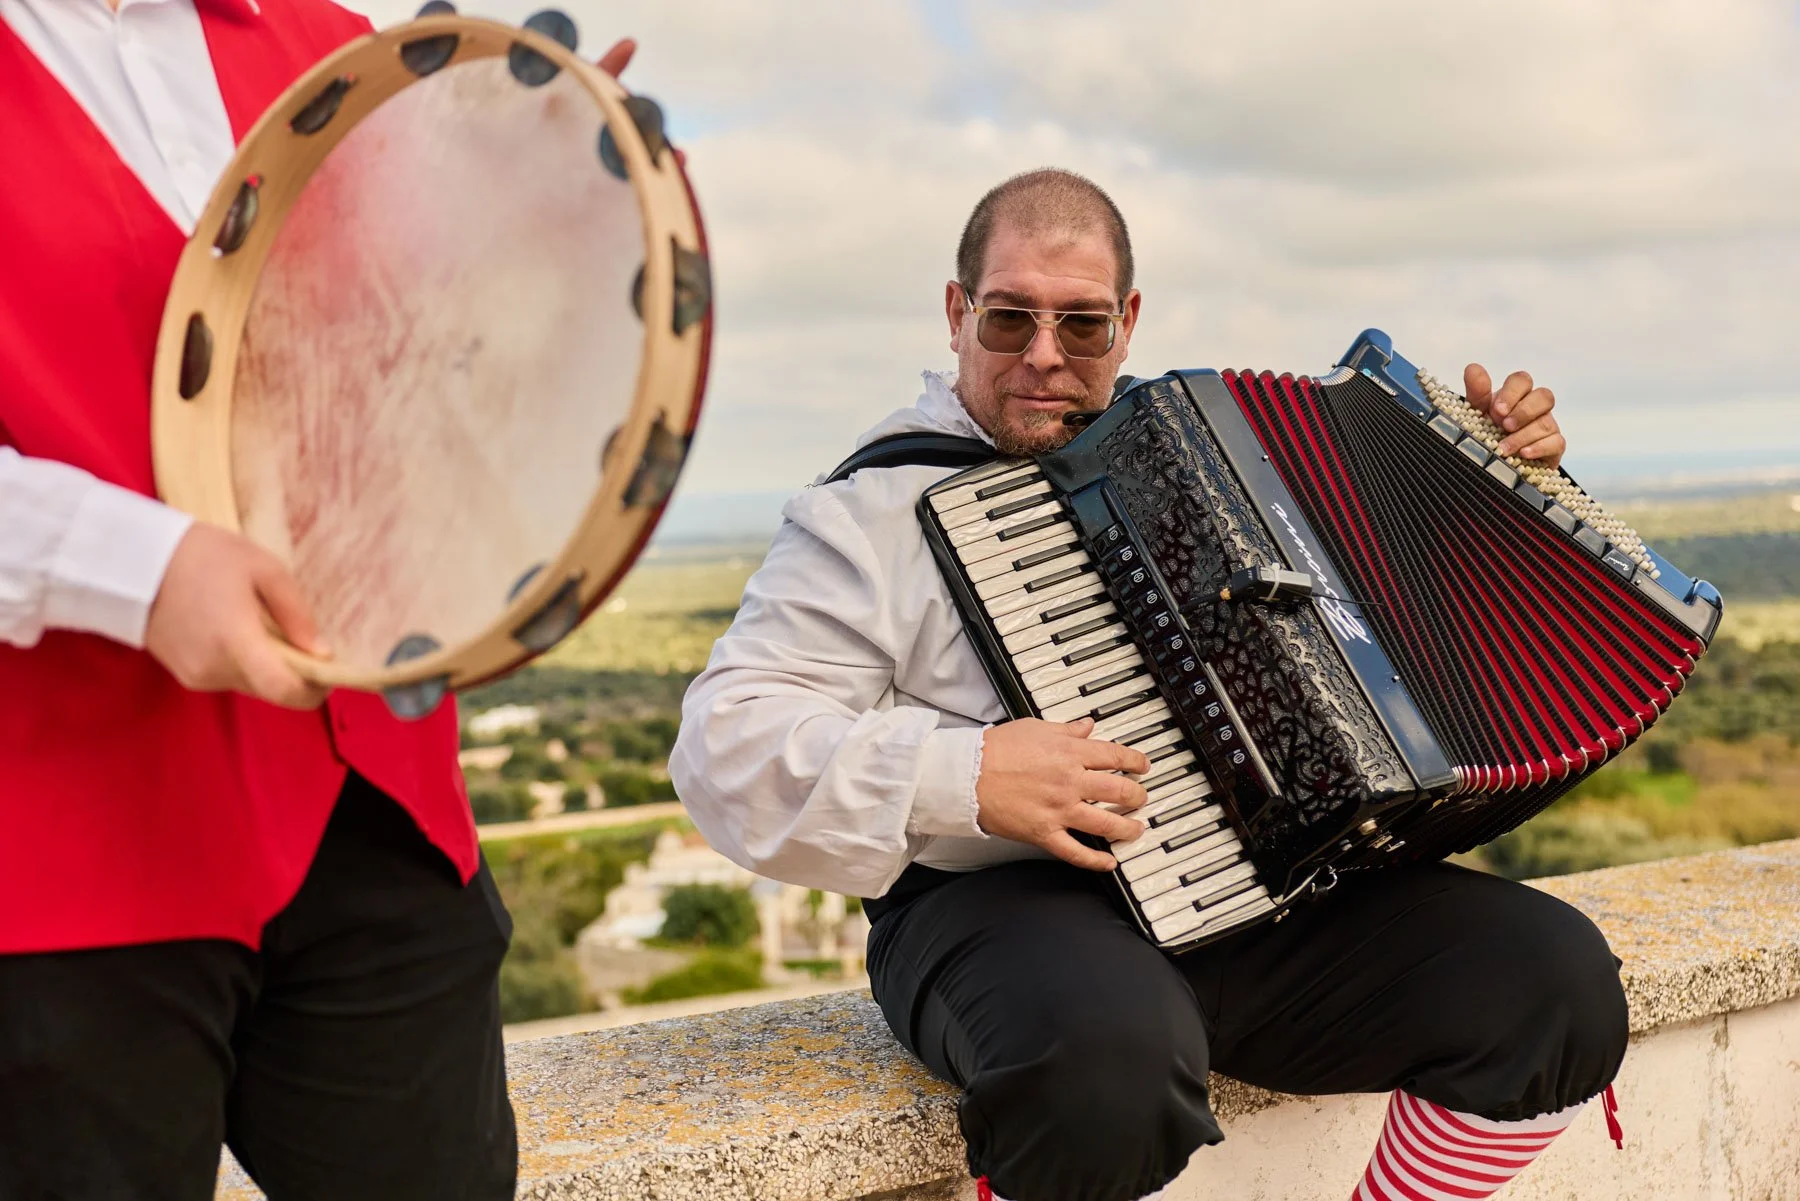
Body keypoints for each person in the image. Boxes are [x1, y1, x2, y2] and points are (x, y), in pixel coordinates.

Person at [670, 168, 1627, 1201]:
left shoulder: (1214, 454)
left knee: (1556, 987)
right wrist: (967, 774)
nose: (1045, 355)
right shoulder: (868, 513)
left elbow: (1407, 605)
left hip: (1249, 886)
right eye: (1010, 318)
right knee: (1105, 1070)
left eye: (1081, 324)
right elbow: (725, 745)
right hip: (990, 903)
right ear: (957, 313)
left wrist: (1501, 480)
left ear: (1125, 324)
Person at [0, 3, 629, 1197]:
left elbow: (406, 359)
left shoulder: (335, 45)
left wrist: (537, 218)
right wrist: (130, 566)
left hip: (377, 815)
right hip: (53, 864)